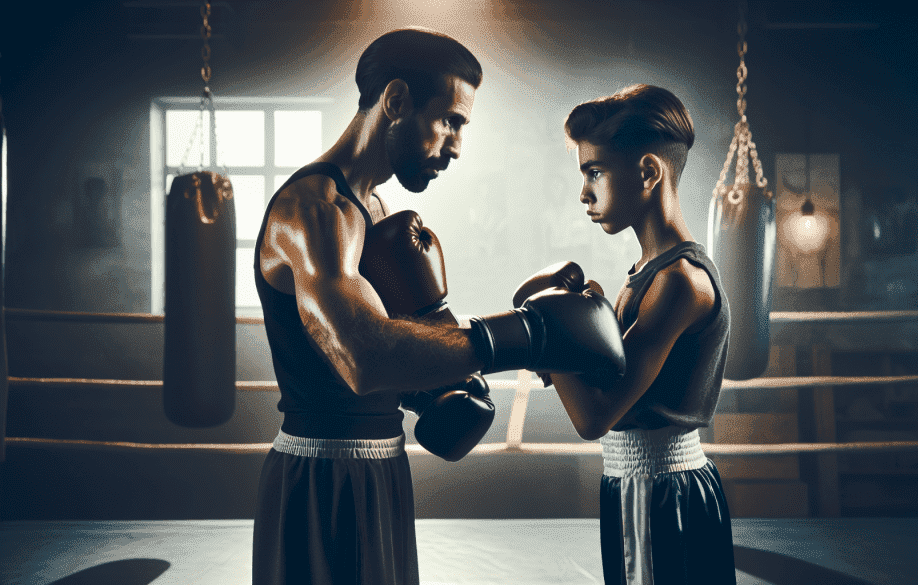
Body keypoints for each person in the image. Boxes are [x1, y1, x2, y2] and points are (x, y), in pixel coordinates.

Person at [251, 28, 627, 585]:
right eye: (450, 121)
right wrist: (528, 336)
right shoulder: (316, 211)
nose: (455, 145)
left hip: (382, 469)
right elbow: (364, 358)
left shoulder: (374, 210)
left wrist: (443, 384)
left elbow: (395, 355)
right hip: (320, 479)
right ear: (396, 100)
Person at [520, 84, 736, 584]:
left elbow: (595, 415)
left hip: (659, 488)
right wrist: (576, 325)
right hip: (639, 484)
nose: (583, 192)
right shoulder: (647, 270)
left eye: (595, 171)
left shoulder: (678, 283)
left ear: (647, 172)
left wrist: (550, 333)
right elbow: (604, 373)